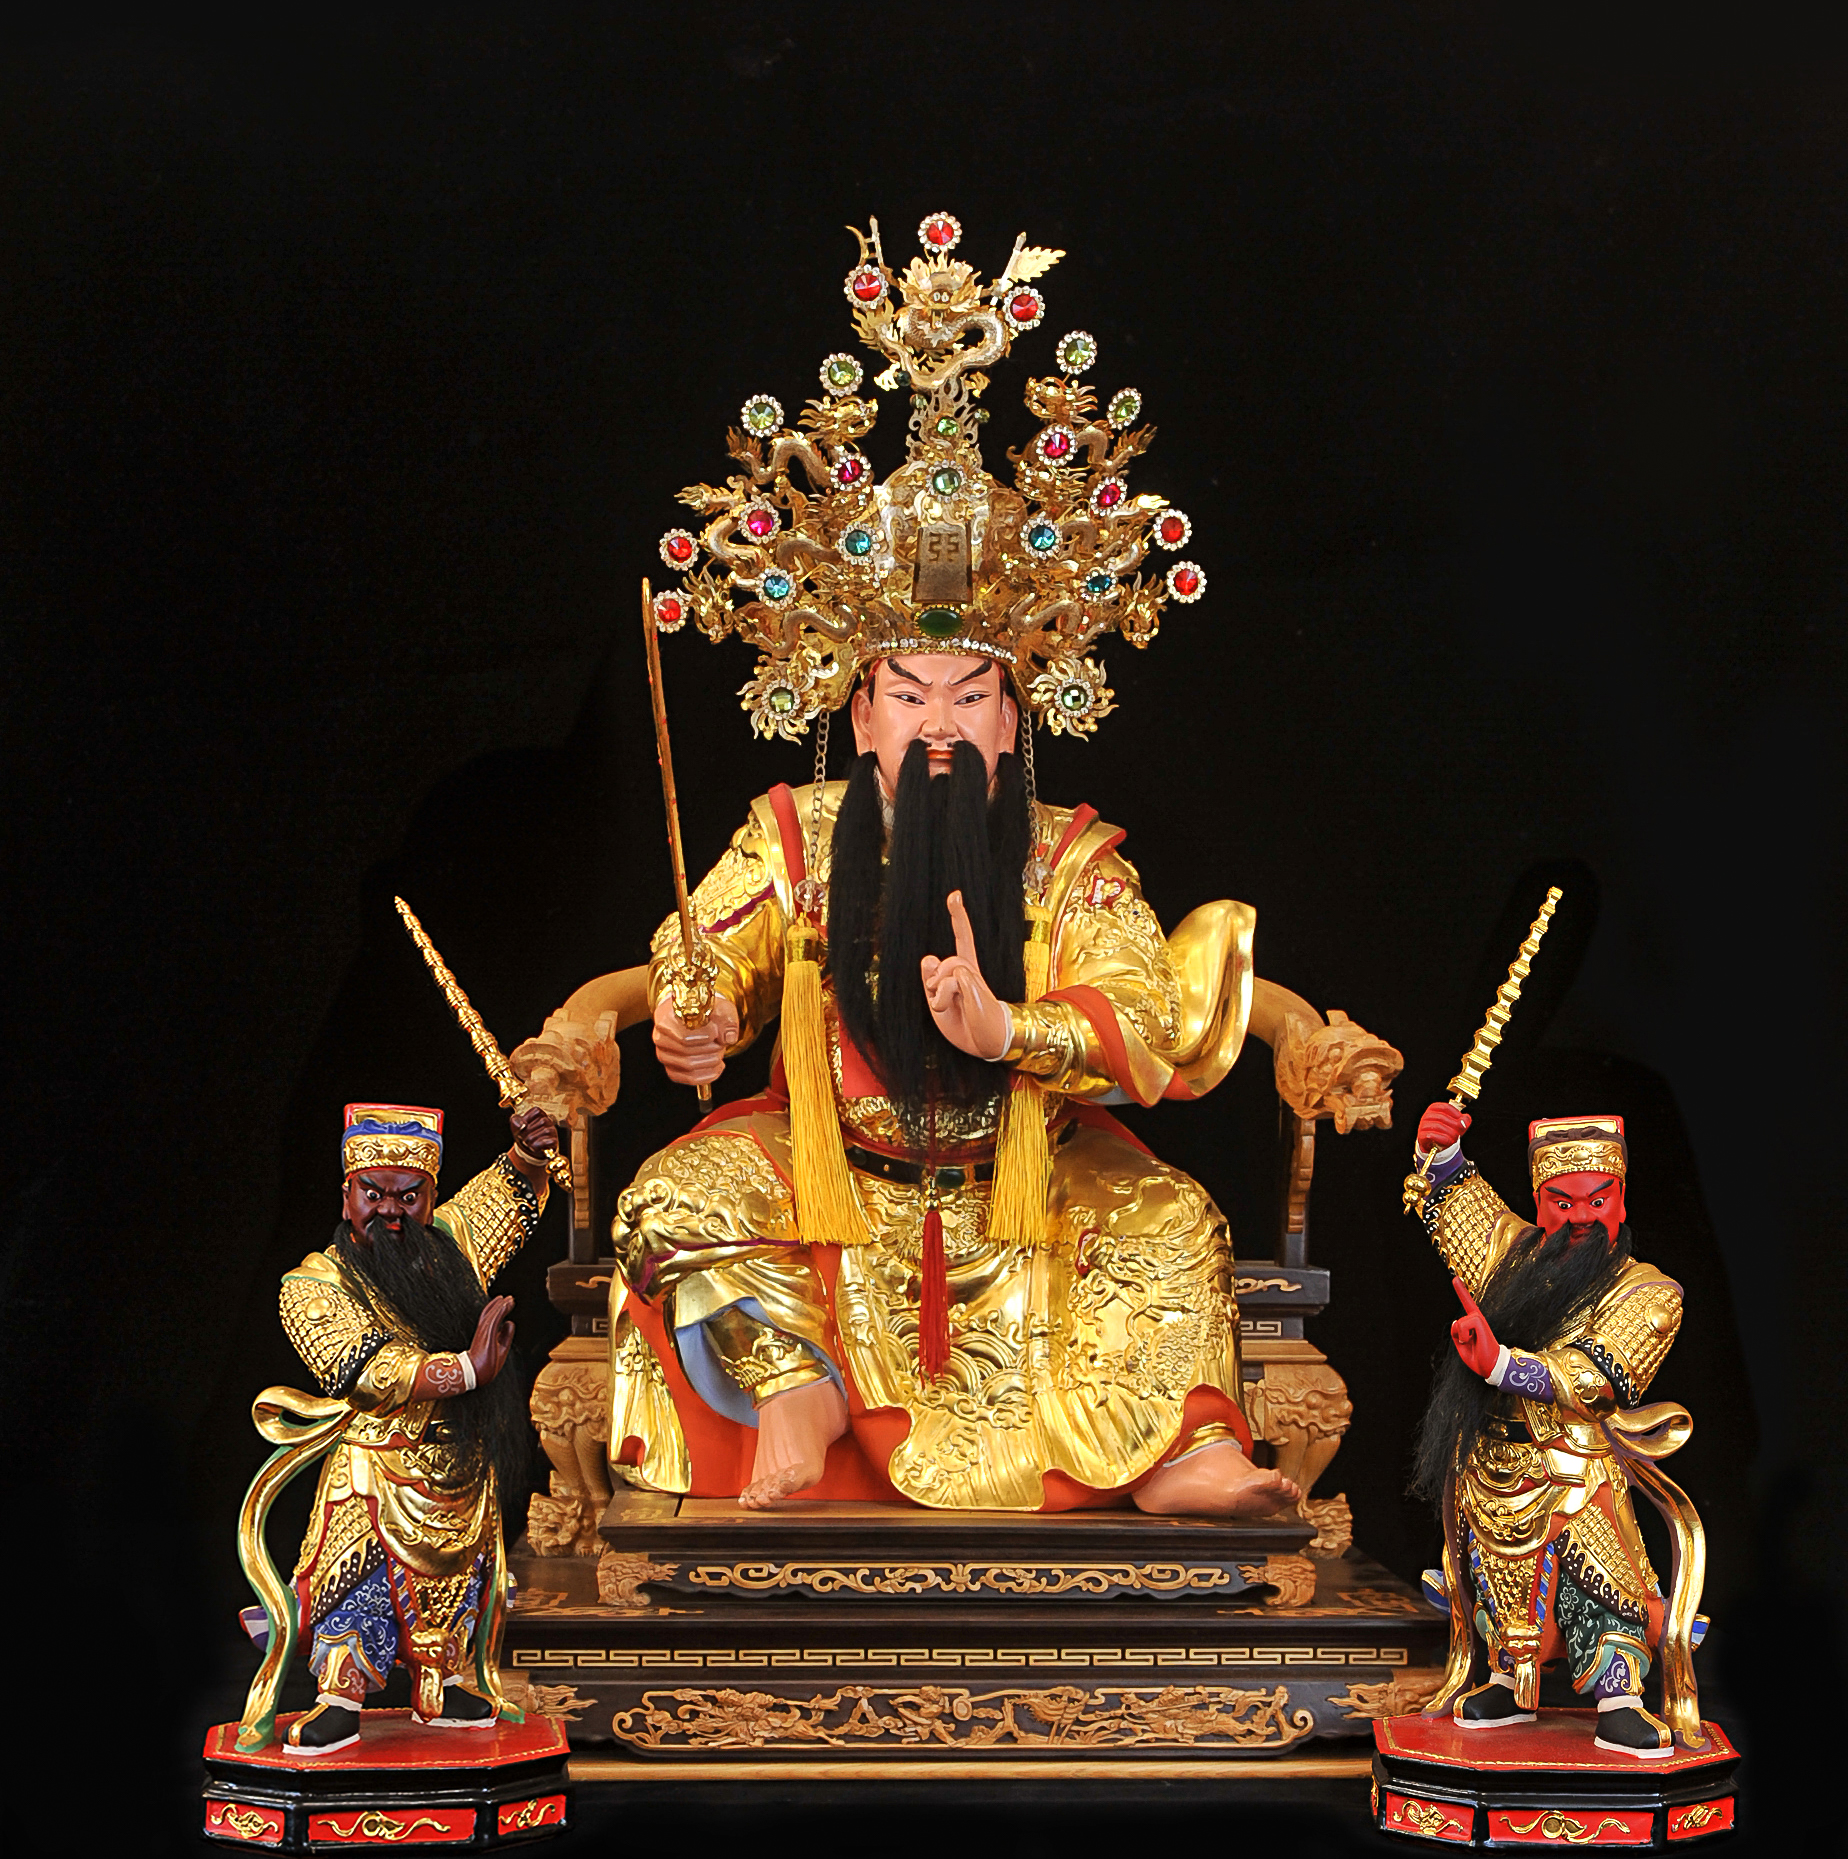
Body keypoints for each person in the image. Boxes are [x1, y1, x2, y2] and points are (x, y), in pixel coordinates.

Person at [531, 211, 1396, 1517]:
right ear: (858, 711)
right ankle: (798, 1391)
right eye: (907, 692)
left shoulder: (1065, 856)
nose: (938, 722)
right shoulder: (796, 835)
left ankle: (1185, 1454)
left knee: (1173, 1220)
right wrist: (694, 1018)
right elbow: (703, 959)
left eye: (970, 694)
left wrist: (1012, 1029)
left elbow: (1144, 1013)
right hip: (825, 1175)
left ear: (1012, 717)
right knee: (673, 1199)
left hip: (1025, 1178)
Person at [237, 1098, 558, 1753]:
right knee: (356, 1584)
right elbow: (363, 1369)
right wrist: (466, 1370)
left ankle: (442, 1685)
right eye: (373, 1194)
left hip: (458, 1467)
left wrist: (529, 1150)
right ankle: (339, 1698)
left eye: (409, 1197)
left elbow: (506, 1197)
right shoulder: (314, 1283)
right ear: (347, 1194)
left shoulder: (453, 1243)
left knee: (458, 1586)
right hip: (375, 1469)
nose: (391, 1210)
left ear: (430, 1197)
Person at [1407, 1103, 1706, 1757]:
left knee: (1602, 1587)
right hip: (1494, 1464)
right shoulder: (1510, 1254)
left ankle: (1620, 1700)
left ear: (1620, 1200)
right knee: (1497, 1582)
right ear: (1540, 1202)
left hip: (1577, 1469)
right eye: (1562, 1202)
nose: (1581, 1217)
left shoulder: (1649, 1292)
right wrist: (1442, 1148)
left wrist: (1501, 1365)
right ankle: (1509, 1685)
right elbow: (1460, 1209)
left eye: (1598, 1200)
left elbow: (1598, 1375)